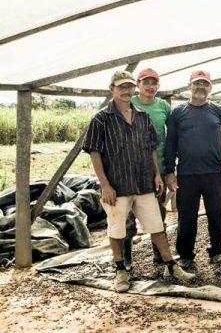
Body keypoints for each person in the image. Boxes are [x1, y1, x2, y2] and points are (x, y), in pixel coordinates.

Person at [83, 70, 194, 293]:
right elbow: (94, 153)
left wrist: (156, 174)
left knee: (156, 225)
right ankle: (120, 270)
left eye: (129, 86)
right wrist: (105, 184)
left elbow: (152, 147)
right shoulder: (101, 119)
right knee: (117, 228)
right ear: (112, 89)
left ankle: (171, 265)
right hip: (117, 184)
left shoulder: (142, 116)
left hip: (143, 182)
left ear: (134, 88)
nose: (126, 91)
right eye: (121, 87)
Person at [165, 70, 221, 269]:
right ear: (189, 86)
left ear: (210, 88)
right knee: (187, 216)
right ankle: (186, 255)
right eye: (197, 83)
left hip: (215, 173)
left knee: (216, 213)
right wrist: (170, 171)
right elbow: (170, 143)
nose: (201, 87)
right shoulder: (178, 112)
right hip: (187, 174)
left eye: (205, 84)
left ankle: (216, 252)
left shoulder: (217, 110)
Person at [123, 68, 171, 270]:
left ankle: (159, 254)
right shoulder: (128, 104)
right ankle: (125, 259)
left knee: (158, 213)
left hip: (157, 169)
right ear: (138, 85)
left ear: (158, 86)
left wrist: (169, 169)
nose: (150, 87)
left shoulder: (163, 106)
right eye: (146, 82)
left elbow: (172, 135)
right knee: (127, 217)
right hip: (130, 170)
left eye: (154, 83)